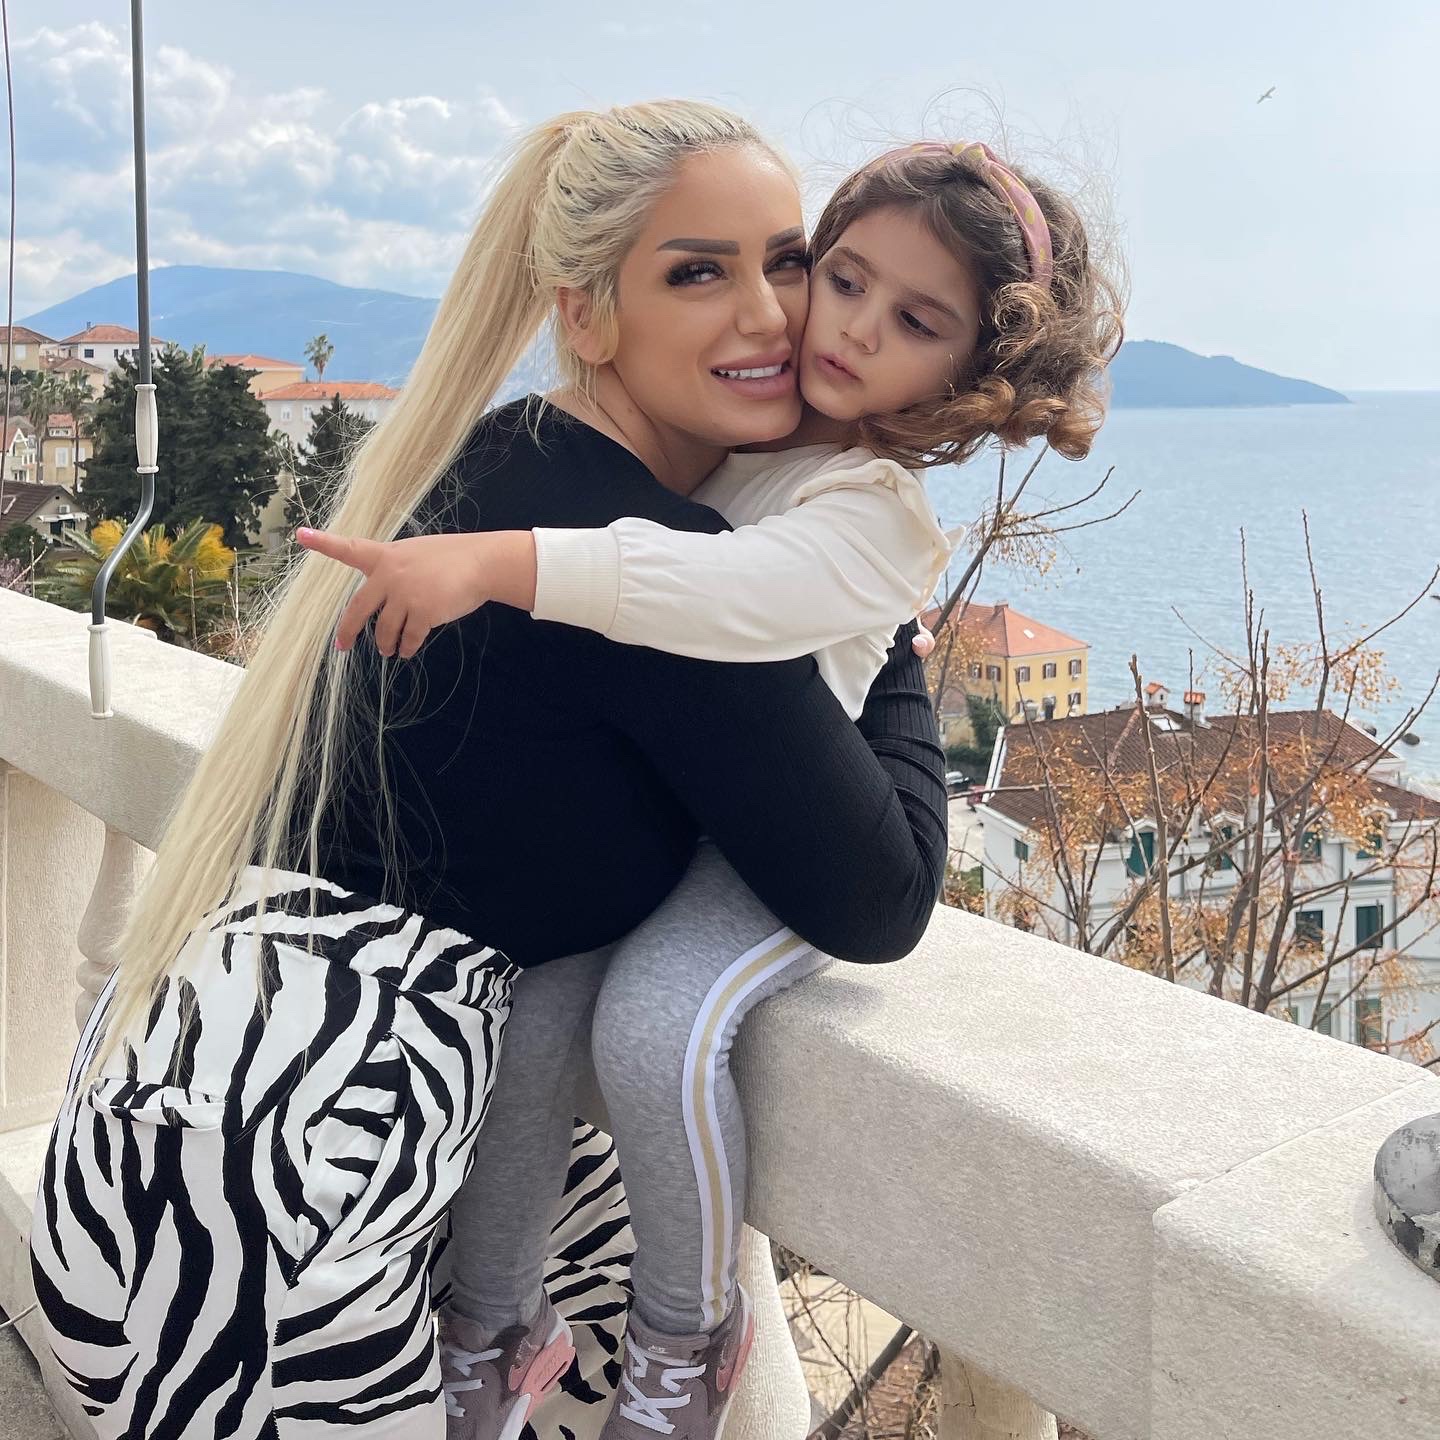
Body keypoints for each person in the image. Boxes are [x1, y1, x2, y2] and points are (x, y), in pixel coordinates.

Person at [27, 101, 949, 1440]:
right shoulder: (651, 574)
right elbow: (882, 895)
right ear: (588, 315)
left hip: (174, 1143)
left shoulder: (503, 462)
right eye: (699, 272)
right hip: (312, 1203)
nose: (770, 315)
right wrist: (894, 622)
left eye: (789, 260)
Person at [305, 139, 1122, 1439]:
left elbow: (719, 595)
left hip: (771, 853)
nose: (852, 327)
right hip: (695, 816)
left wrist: (500, 564)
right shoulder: (752, 439)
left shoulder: (874, 508)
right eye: (838, 277)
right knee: (537, 1010)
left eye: (916, 321)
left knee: (656, 1028)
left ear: (972, 374)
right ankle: (489, 1328)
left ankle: (686, 1338)